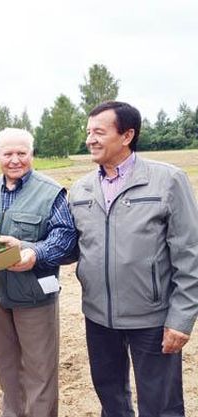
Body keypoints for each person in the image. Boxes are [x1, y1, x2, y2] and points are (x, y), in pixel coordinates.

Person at [69, 101, 198, 416]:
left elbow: (190, 253)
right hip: (99, 317)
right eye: (88, 132)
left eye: (99, 132)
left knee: (161, 404)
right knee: (111, 400)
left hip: (152, 318)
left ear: (127, 135)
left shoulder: (167, 181)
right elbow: (70, 245)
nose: (90, 140)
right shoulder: (81, 188)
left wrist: (181, 319)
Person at [0, 127, 77, 417]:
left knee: (39, 374)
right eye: (8, 153)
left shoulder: (50, 192)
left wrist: (33, 252)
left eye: (22, 153)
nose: (15, 159)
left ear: (32, 154)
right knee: (7, 370)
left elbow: (65, 239)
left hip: (34, 298)